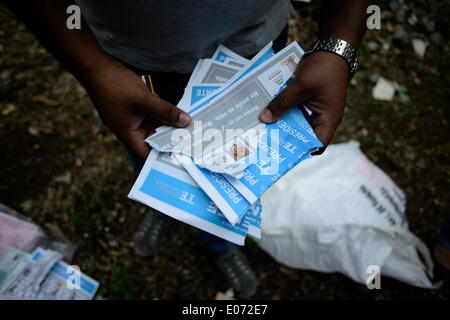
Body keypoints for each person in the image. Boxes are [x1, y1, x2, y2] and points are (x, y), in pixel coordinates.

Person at [3, 0, 371, 298]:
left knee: (239, 177)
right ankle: (163, 207)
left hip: (257, 49)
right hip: (125, 64)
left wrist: (339, 48)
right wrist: (91, 66)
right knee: (148, 154)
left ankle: (219, 245)